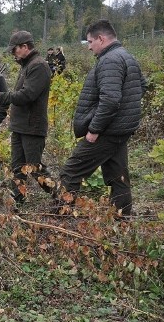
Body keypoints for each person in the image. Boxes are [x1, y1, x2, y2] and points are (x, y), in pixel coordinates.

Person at [57, 19, 147, 217]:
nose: (89, 47)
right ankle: (122, 221)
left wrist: (95, 129)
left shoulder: (110, 60)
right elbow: (141, 86)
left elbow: (111, 100)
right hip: (119, 130)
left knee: (71, 171)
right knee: (118, 177)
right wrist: (124, 116)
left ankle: (59, 221)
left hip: (107, 131)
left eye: (90, 42)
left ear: (101, 38)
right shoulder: (127, 56)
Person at [0, 31, 52, 204]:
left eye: (15, 50)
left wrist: (0, 96)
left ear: (25, 47)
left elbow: (26, 96)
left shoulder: (38, 66)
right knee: (17, 168)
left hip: (32, 127)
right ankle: (17, 201)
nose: (13, 53)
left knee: (35, 169)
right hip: (20, 126)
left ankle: (61, 197)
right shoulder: (27, 65)